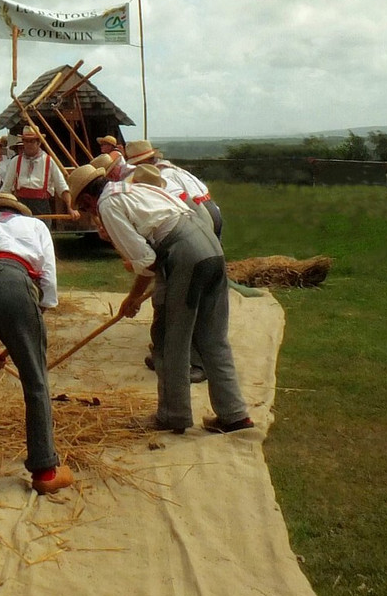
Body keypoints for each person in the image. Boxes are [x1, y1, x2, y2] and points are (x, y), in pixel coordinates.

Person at [66, 164, 254, 435]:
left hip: (184, 253)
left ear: (86, 199)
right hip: (211, 248)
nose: (88, 213)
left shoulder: (108, 205)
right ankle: (235, 415)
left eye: (84, 208)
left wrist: (133, 297)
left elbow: (147, 260)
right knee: (213, 337)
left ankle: (172, 415)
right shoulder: (135, 188)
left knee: (168, 338)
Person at [0, 192, 74, 493]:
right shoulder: (33, 227)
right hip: (13, 285)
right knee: (35, 380)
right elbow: (47, 284)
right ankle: (45, 470)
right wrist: (34, 319)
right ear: (18, 211)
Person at [125, 140, 222, 240]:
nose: (136, 168)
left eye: (137, 164)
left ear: (144, 161)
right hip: (212, 207)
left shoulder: (163, 176)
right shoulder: (173, 169)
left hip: (199, 210)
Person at [0, 126, 77, 221]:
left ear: (39, 142)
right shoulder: (16, 161)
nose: (29, 144)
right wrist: (1, 208)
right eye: (26, 141)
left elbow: (62, 187)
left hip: (41, 207)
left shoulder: (49, 161)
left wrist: (70, 208)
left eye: (32, 141)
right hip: (21, 205)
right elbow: (6, 188)